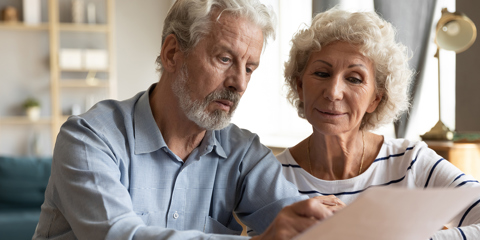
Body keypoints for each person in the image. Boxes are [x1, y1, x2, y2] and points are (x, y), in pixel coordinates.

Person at [33, 1, 336, 239]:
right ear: (172, 53)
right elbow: (120, 236)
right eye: (225, 59)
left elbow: (304, 225)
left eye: (249, 68)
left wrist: (328, 223)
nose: (239, 84)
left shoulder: (243, 154)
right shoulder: (89, 139)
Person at [278, 7, 480, 240]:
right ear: (300, 86)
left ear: (376, 98)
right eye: (322, 73)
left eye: (354, 79)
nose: (333, 92)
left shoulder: (411, 162)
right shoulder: (271, 174)